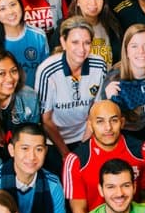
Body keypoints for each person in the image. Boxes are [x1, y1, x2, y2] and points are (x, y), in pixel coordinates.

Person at [62, 100, 145, 213]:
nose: (108, 127)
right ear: (90, 125)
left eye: (114, 120)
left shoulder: (142, 151)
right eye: (100, 121)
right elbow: (78, 212)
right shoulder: (76, 160)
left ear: (122, 122)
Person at [36, 16, 109, 163]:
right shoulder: (47, 70)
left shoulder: (99, 65)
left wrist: (83, 146)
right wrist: (65, 154)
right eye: (75, 42)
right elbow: (46, 120)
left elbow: (95, 110)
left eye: (87, 43)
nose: (81, 49)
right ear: (63, 42)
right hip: (55, 139)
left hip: (86, 134)